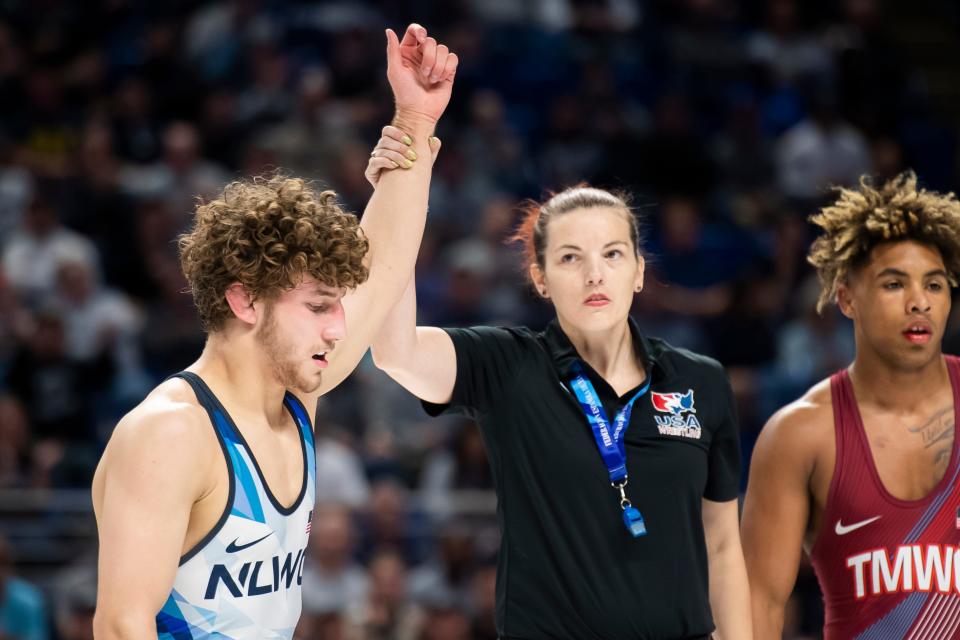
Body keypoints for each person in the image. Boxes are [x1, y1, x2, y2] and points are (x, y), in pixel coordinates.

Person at [91, 24, 459, 639]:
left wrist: (416, 122)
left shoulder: (296, 401)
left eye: (335, 307)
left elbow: (382, 275)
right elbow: (121, 626)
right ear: (244, 300)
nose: (340, 327)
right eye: (318, 307)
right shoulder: (170, 435)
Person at [364, 132, 752, 639]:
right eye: (570, 258)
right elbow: (395, 350)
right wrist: (402, 192)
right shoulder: (507, 365)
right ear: (540, 278)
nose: (595, 274)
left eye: (613, 255)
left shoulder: (700, 380)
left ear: (639, 271)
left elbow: (721, 542)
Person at [742, 171, 960, 639]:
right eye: (894, 284)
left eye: (935, 285)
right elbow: (758, 605)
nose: (919, 302)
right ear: (846, 299)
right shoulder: (799, 434)